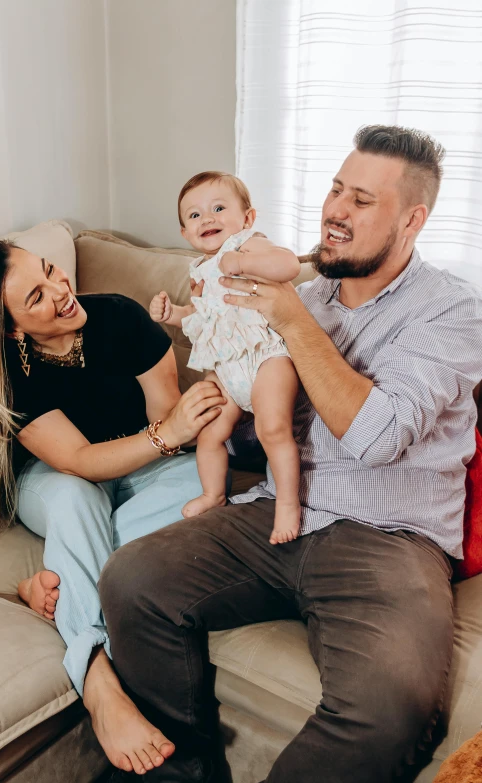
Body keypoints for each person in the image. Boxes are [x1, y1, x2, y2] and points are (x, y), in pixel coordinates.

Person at [98, 125, 482, 782]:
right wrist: (219, 405)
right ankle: (180, 773)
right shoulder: (306, 291)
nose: (335, 209)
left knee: (390, 709)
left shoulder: (450, 310)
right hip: (278, 507)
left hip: (389, 539)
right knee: (131, 581)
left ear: (412, 219)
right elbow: (254, 396)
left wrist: (292, 320)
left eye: (361, 199)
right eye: (335, 189)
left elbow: (378, 437)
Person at [0, 241, 227, 776]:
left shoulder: (120, 317)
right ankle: (97, 679)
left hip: (145, 463)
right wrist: (169, 432)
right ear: (12, 329)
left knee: (211, 491)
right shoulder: (7, 367)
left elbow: (167, 427)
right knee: (79, 498)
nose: (61, 291)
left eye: (52, 271)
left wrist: (175, 430)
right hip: (55, 479)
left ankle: (58, 585)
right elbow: (78, 460)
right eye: (37, 296)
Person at [149, 172, 301, 544]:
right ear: (186, 233)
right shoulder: (199, 271)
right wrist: (173, 314)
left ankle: (287, 504)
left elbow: (290, 266)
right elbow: (201, 317)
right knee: (210, 432)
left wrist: (242, 261)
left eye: (219, 208)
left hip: (266, 355)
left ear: (247, 218)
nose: (209, 219)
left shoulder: (249, 244)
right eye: (196, 215)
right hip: (227, 367)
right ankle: (213, 493)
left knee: (273, 429)